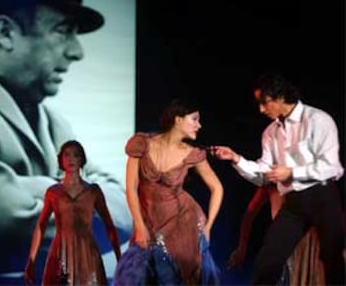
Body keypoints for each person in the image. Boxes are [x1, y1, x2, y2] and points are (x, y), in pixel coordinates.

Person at [0, 0, 130, 284]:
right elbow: (8, 226)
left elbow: (124, 206)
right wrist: (60, 188)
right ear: (5, 32)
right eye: (63, 31)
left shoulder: (50, 119)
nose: (77, 52)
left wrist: (33, 188)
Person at [211, 71, 345, 285]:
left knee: (332, 260)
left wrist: (292, 172)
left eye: (265, 103)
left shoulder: (318, 120)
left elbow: (332, 167)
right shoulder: (270, 132)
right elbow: (264, 175)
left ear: (281, 97)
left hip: (322, 197)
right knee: (268, 260)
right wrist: (236, 159)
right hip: (293, 204)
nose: (261, 109)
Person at [114, 98, 224, 285]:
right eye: (195, 119)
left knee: (173, 277)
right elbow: (131, 188)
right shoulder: (141, 144)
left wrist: (208, 226)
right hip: (150, 220)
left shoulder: (193, 154)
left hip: (184, 224)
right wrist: (140, 226)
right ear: (178, 119)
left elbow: (217, 188)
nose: (199, 125)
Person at [24, 140, 121, 286]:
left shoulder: (93, 191)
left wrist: (120, 259)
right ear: (61, 160)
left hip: (87, 254)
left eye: (75, 155)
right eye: (67, 155)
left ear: (81, 159)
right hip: (60, 254)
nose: (71, 159)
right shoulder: (53, 192)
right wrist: (31, 260)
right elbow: (41, 225)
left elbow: (109, 226)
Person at [227, 185, 325, 285]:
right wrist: (241, 248)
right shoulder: (270, 185)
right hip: (282, 244)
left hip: (306, 244)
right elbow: (249, 215)